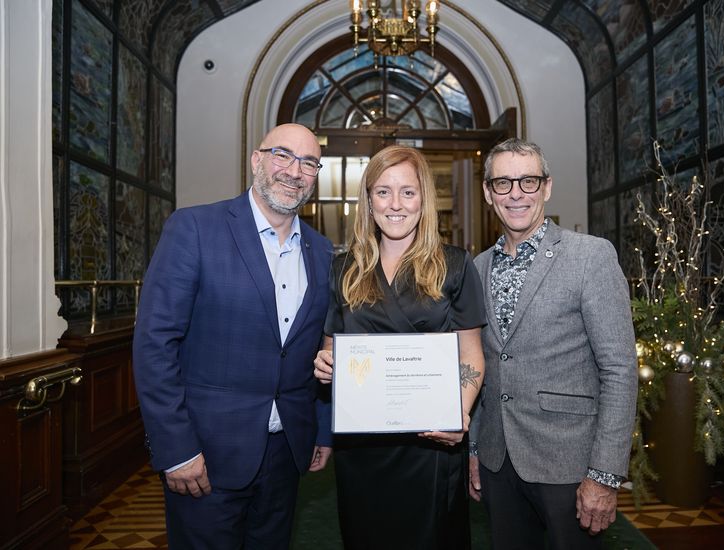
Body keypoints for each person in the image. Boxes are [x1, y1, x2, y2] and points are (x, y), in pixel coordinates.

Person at [133, 123, 333, 549]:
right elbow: (155, 344)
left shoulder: (323, 252)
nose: (295, 171)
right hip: (205, 455)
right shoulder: (194, 229)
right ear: (256, 159)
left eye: (309, 162)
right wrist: (176, 448)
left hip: (286, 453)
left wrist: (321, 430)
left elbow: (319, 349)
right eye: (283, 155)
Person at [313, 145, 486, 550]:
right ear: (368, 200)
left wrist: (459, 410)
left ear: (424, 199)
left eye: (408, 192)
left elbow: (471, 354)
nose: (395, 205)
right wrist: (325, 365)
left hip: (431, 445)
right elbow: (330, 350)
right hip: (362, 447)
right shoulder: (344, 270)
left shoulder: (455, 265)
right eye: (383, 192)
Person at [468, 138, 638, 549]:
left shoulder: (590, 256)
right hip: (497, 460)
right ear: (488, 193)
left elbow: (619, 369)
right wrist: (474, 448)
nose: (516, 194)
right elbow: (477, 363)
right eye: (503, 183)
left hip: (569, 463)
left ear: (546, 187)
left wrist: (604, 474)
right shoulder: (477, 267)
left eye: (528, 181)